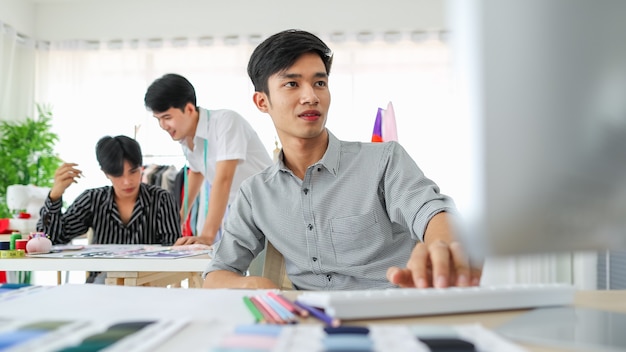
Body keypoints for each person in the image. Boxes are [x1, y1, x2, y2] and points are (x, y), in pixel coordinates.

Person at [203, 29, 483, 290]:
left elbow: (430, 211)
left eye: (320, 82)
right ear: (262, 102)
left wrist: (443, 246)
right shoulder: (255, 193)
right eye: (292, 83)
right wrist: (251, 285)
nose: (311, 96)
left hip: (392, 314)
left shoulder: (384, 160)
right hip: (308, 324)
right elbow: (217, 273)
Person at [144, 74, 273, 246]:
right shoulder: (186, 137)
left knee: (268, 270)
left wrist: (206, 236)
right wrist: (178, 219)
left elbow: (223, 180)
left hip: (271, 205)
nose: (163, 126)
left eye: (167, 117)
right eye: (158, 119)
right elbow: (197, 173)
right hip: (245, 210)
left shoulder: (226, 122)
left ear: (189, 109)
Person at [37, 135, 182, 283]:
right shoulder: (92, 199)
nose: (127, 181)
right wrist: (55, 195)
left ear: (141, 167)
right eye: (117, 174)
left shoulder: (161, 199)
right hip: (101, 286)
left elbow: (172, 252)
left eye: (133, 172)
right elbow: (50, 240)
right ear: (105, 172)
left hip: (147, 284)